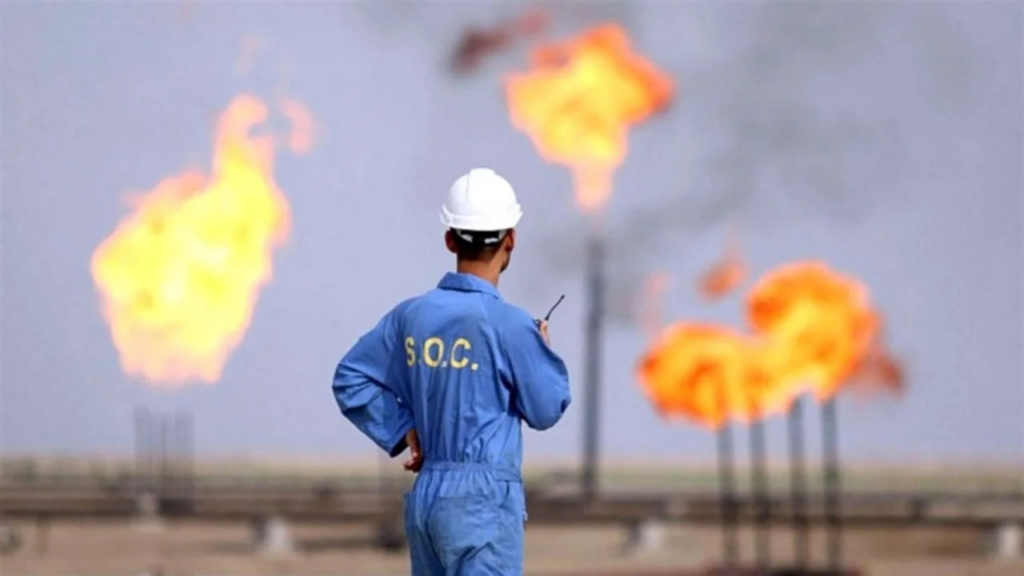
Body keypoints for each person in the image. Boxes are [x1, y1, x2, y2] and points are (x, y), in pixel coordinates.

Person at [332, 167, 572, 575]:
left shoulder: (410, 316)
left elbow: (350, 379)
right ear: (511, 239)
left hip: (428, 497)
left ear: (449, 239)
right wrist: (541, 352)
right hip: (484, 502)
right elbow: (546, 409)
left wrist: (402, 428)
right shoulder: (512, 325)